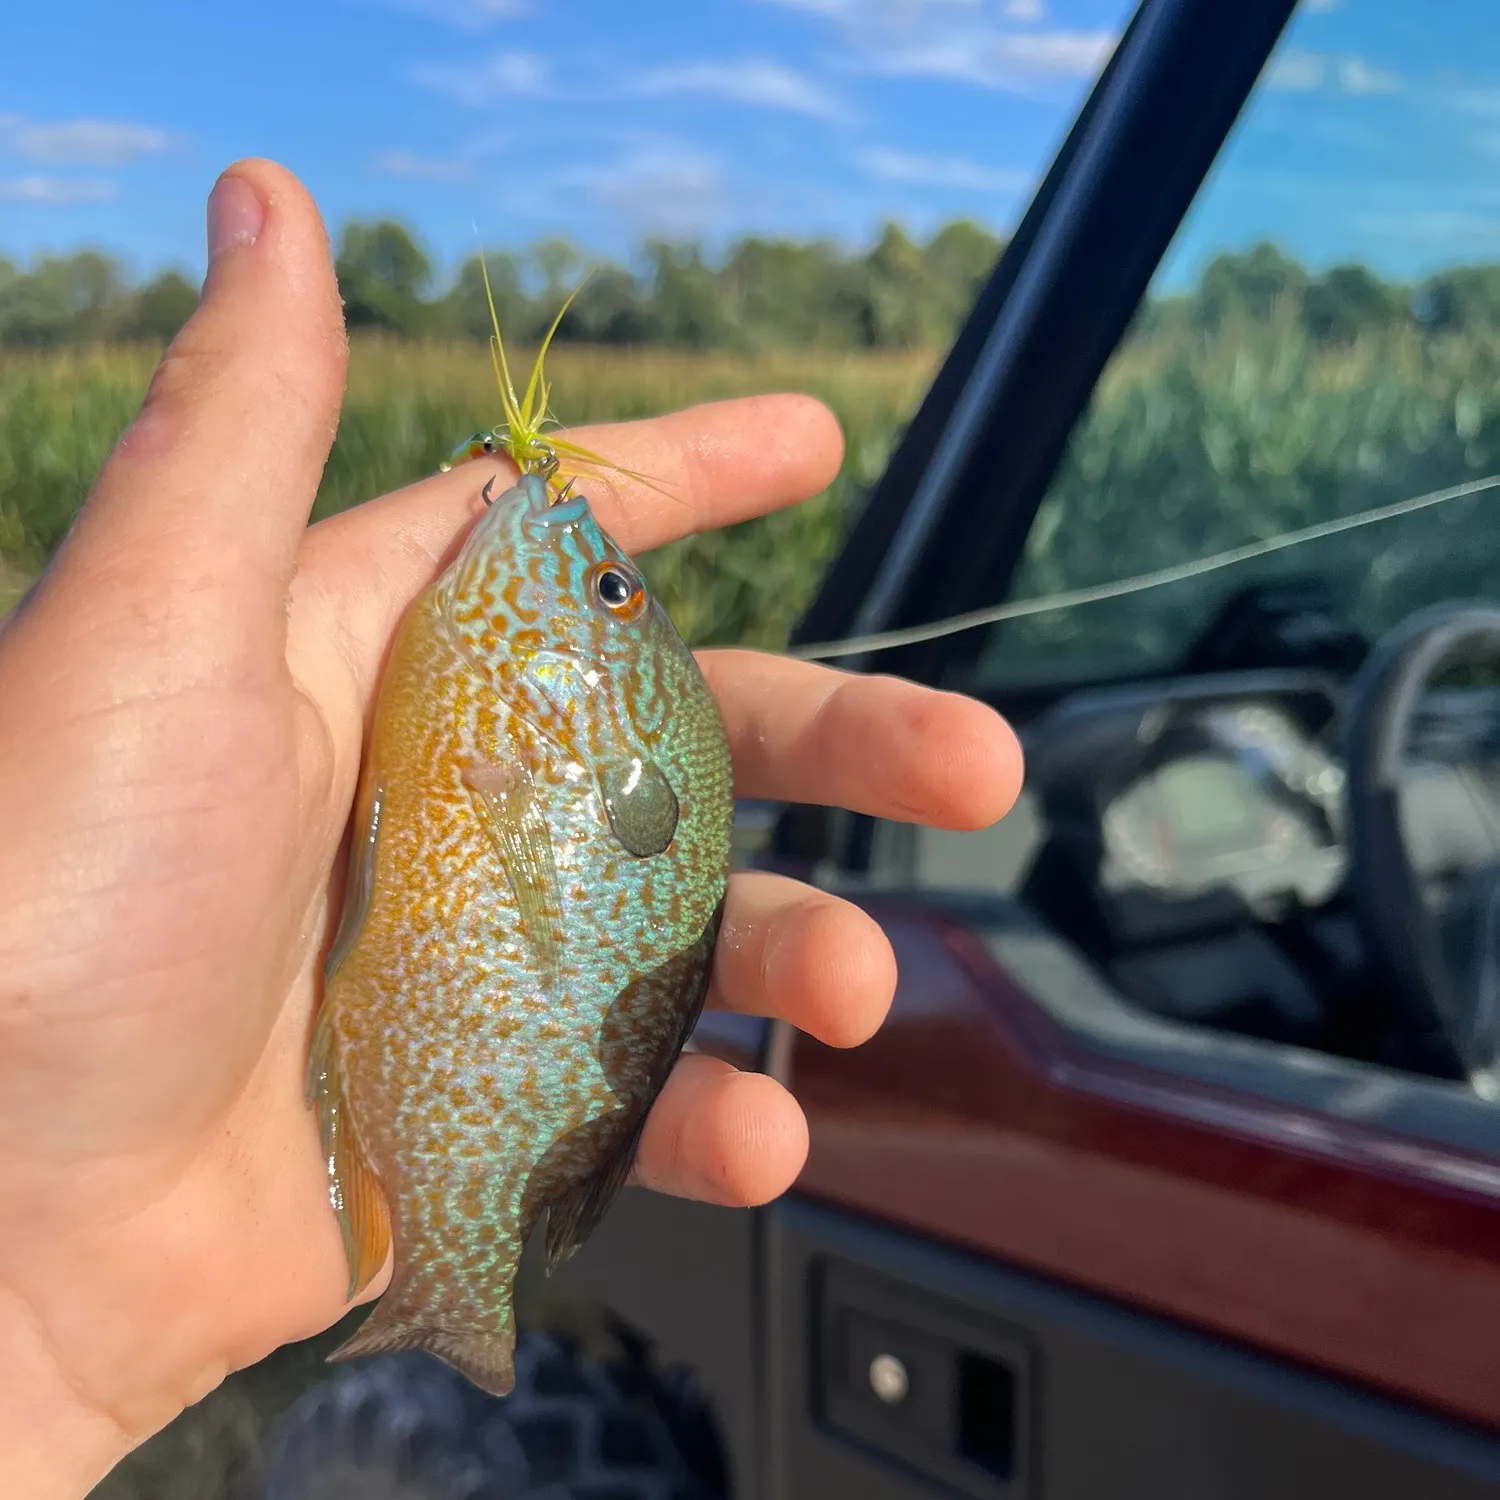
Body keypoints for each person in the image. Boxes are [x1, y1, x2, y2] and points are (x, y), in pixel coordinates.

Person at [0, 160, 1023, 1499]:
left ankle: (448, 1279)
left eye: (600, 583)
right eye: (615, 584)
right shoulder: (498, 684)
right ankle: (443, 1273)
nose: (579, 546)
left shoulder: (517, 693)